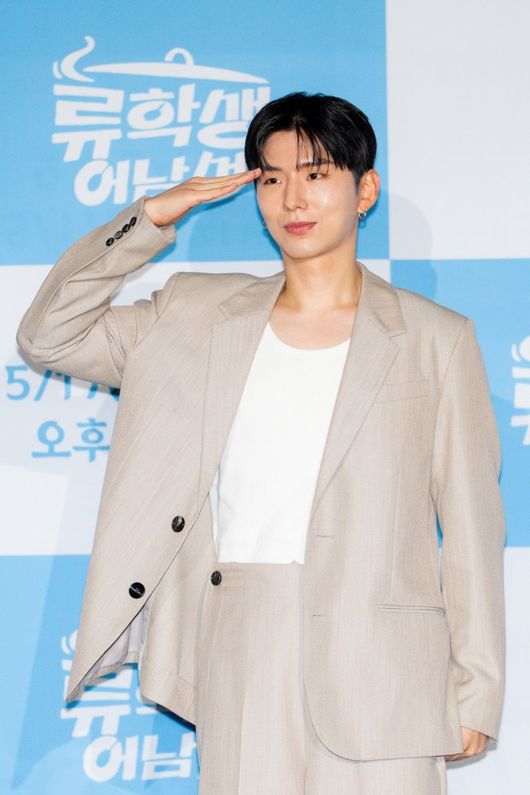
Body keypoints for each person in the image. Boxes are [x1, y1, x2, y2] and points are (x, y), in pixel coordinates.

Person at [16, 92, 506, 794]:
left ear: (365, 189)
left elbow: (472, 529)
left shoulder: (437, 339)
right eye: (272, 178)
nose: (292, 198)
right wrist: (150, 218)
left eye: (317, 173)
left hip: (386, 663)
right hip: (241, 641)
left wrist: (477, 687)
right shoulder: (193, 315)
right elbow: (48, 336)